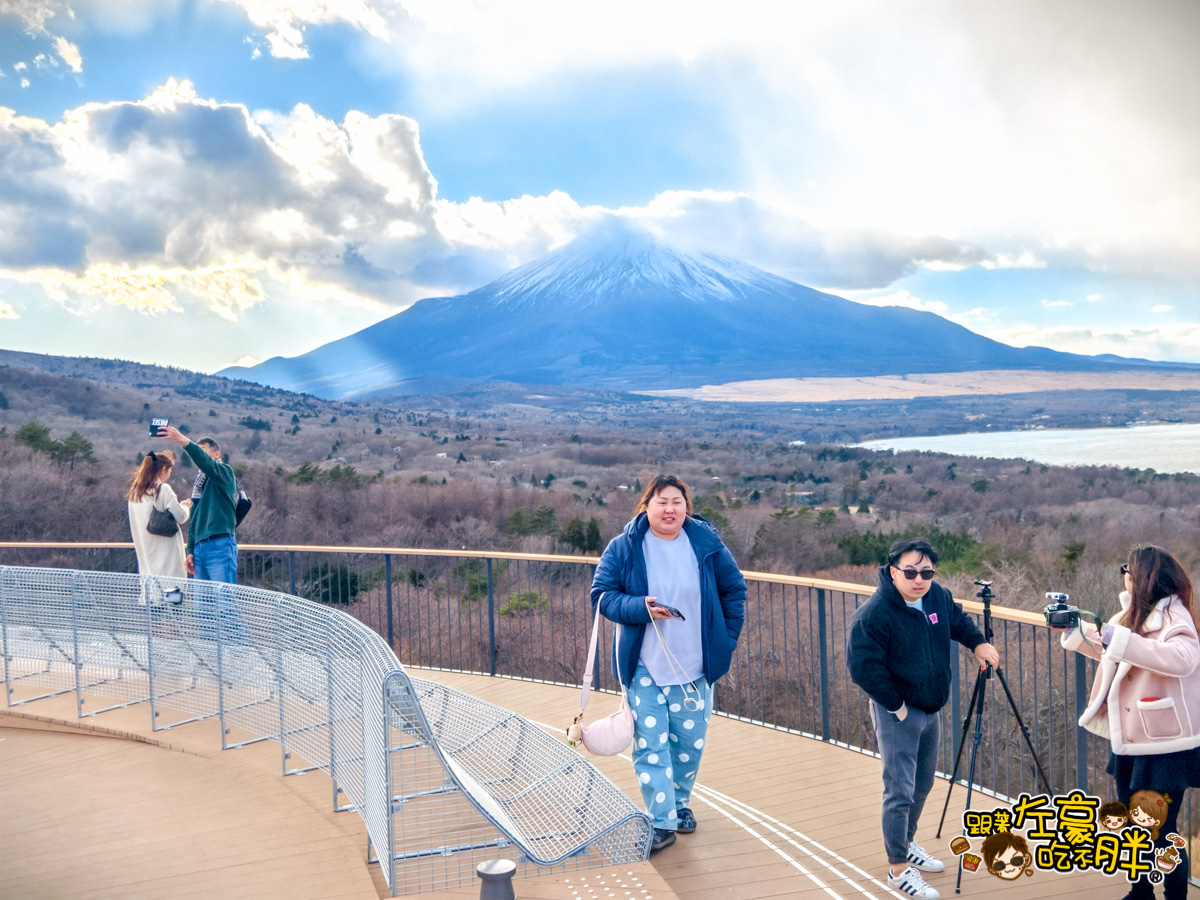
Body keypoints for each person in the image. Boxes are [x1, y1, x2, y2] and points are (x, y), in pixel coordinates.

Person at [590, 475, 746, 853]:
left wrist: (724, 642)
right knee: (650, 747)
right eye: (662, 501)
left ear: (686, 507)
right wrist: (639, 607)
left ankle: (678, 804)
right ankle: (661, 822)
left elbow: (734, 590)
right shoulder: (624, 546)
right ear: (647, 506)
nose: (670, 509)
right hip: (644, 665)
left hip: (694, 667)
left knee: (688, 745)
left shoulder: (706, 544)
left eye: (677, 501)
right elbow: (602, 595)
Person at [847, 538, 1001, 900]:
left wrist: (978, 643)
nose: (919, 579)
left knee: (923, 783)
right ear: (892, 571)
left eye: (927, 572)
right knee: (899, 790)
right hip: (898, 711)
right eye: (911, 572)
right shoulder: (875, 613)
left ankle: (907, 841)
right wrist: (897, 706)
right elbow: (862, 667)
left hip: (931, 705)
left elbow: (957, 621)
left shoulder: (936, 597)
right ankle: (898, 869)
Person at [1058, 546, 1200, 900]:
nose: (1124, 573)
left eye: (1129, 568)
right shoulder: (1134, 613)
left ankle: (1174, 895)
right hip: (1133, 738)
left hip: (1164, 745)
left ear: (1146, 576)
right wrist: (1078, 632)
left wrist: (1118, 638)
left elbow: (1182, 660)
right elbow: (1117, 653)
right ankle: (1141, 891)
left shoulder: (1174, 617)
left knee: (1163, 829)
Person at [158, 430, 239, 584]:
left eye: (203, 451)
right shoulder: (200, 484)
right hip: (200, 548)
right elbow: (195, 517)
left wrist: (184, 441)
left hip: (220, 543)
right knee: (202, 606)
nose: (199, 456)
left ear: (216, 454)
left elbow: (206, 463)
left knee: (224, 602)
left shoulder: (224, 472)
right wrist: (191, 550)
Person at [127, 450, 190, 578]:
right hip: (167, 557)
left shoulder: (134, 493)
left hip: (145, 555)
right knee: (173, 596)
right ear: (163, 469)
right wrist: (185, 507)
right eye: (169, 471)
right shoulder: (163, 489)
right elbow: (181, 517)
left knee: (151, 594)